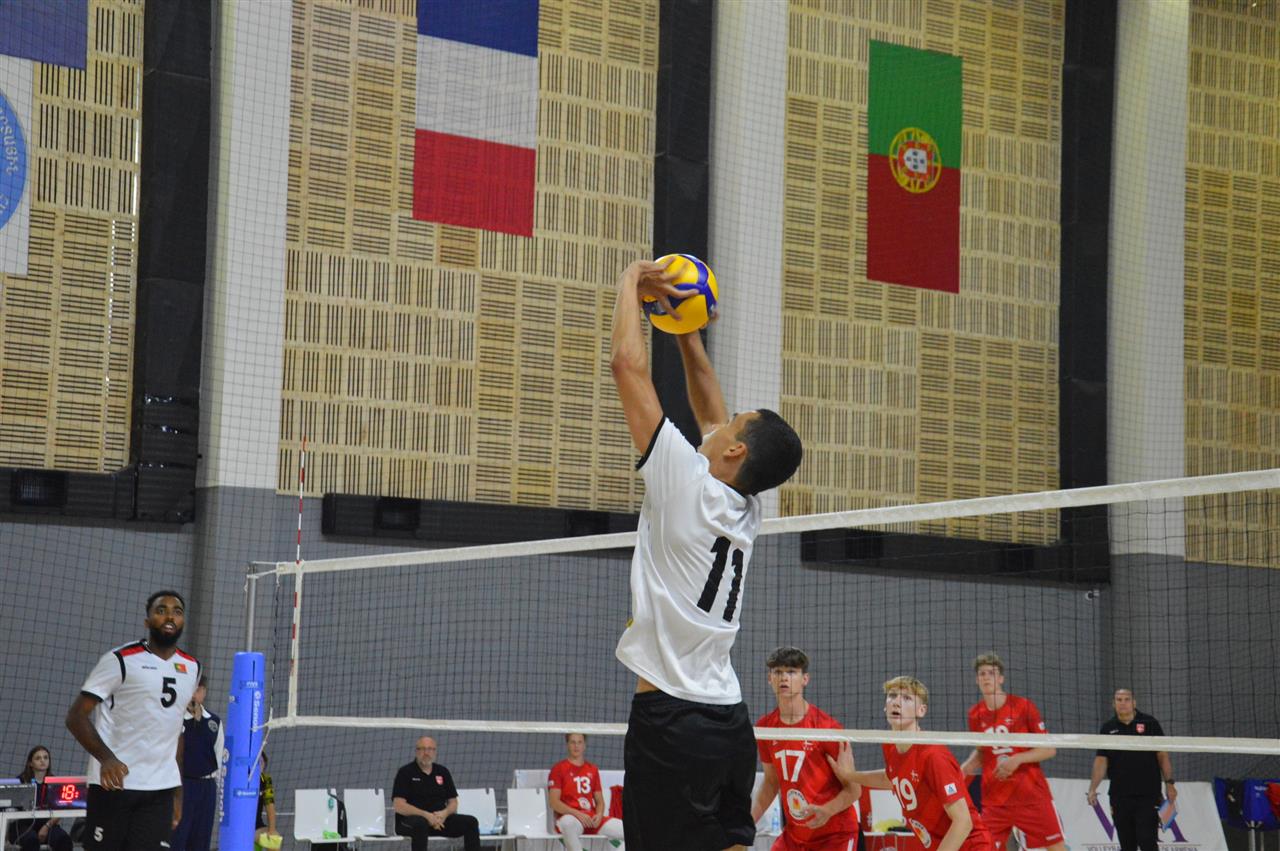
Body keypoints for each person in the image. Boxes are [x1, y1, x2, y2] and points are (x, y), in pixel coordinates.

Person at [609, 258, 804, 851]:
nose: (720, 421)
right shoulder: (745, 505)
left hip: (673, 723)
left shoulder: (685, 482)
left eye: (734, 424)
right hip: (727, 719)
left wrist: (630, 281)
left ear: (736, 450)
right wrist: (685, 329)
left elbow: (626, 367)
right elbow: (712, 414)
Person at [65, 590, 201, 851]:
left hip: (159, 789)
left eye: (177, 611)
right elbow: (75, 717)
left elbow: (177, 732)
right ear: (147, 621)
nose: (170, 616)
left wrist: (178, 792)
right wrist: (106, 758)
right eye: (161, 610)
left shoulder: (192, 668)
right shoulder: (120, 660)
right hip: (115, 785)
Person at [827, 677, 993, 851]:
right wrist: (849, 775)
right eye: (892, 696)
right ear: (885, 706)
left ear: (921, 711)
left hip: (971, 846)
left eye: (907, 698)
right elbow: (890, 777)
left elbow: (963, 822)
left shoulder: (933, 756)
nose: (896, 702)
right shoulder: (890, 746)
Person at [752, 647, 860, 851]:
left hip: (835, 835)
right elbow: (771, 782)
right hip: (795, 836)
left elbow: (854, 789)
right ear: (769, 678)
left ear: (805, 679)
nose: (784, 678)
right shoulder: (766, 727)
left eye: (791, 672)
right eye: (778, 672)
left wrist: (827, 810)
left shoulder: (827, 729)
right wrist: (749, 822)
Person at [959, 653, 1065, 851]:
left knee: (1056, 848)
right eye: (982, 673)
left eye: (991, 673)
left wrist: (1017, 759)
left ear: (1001, 678)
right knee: (984, 848)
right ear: (977, 680)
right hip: (995, 799)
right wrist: (967, 766)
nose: (986, 677)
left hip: (1031, 796)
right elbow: (982, 751)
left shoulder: (1023, 706)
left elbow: (1049, 749)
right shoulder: (975, 714)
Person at [1086, 689, 1176, 851]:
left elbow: (1162, 755)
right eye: (1119, 700)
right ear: (1113, 704)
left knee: (1147, 841)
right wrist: (1093, 788)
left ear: (1134, 703)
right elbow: (1101, 761)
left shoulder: (1150, 723)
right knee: (1127, 845)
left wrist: (1169, 783)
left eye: (1127, 699)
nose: (1123, 703)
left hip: (1147, 794)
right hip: (1120, 796)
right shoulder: (1108, 728)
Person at [392, 737, 480, 851]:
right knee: (421, 824)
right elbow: (398, 805)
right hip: (410, 822)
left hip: (439, 821)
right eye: (422, 749)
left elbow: (453, 802)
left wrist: (444, 814)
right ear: (416, 751)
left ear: (435, 751)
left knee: (471, 822)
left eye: (430, 749)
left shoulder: (442, 772)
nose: (426, 753)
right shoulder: (405, 772)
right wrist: (426, 816)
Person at [171, 675, 224, 851]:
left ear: (204, 692)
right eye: (191, 690)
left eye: (198, 690)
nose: (194, 695)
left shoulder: (214, 722)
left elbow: (219, 758)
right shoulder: (175, 719)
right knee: (178, 838)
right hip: (182, 786)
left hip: (207, 788)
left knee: (201, 839)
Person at [548, 733, 625, 851]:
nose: (576, 746)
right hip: (571, 818)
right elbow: (554, 802)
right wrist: (576, 813)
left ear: (584, 745)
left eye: (579, 742)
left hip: (591, 819)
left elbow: (600, 802)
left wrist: (599, 815)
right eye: (573, 742)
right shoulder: (558, 769)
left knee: (630, 830)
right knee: (567, 824)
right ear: (567, 745)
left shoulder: (592, 769)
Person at [9, 746, 74, 851]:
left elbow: (61, 810)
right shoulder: (21, 781)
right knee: (31, 841)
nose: (42, 760)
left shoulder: (55, 782)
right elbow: (9, 807)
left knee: (64, 841)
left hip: (47, 824)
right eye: (38, 758)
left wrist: (47, 826)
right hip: (23, 825)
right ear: (30, 763)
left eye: (45, 757)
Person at [254, 752, 280, 849]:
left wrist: (271, 830)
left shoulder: (265, 780)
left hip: (256, 828)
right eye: (257, 762)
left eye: (261, 763)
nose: (259, 765)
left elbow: (270, 807)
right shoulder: (239, 779)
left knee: (274, 840)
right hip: (238, 828)